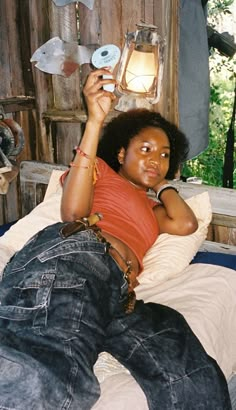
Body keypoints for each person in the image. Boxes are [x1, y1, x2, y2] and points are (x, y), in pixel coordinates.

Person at [0, 68, 231, 410]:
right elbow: (74, 214)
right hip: (78, 257)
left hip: (120, 296)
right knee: (48, 377)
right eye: (146, 149)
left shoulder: (153, 209)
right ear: (121, 154)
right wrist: (94, 120)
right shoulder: (101, 172)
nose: (156, 159)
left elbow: (185, 224)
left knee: (189, 370)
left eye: (165, 155)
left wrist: (160, 184)